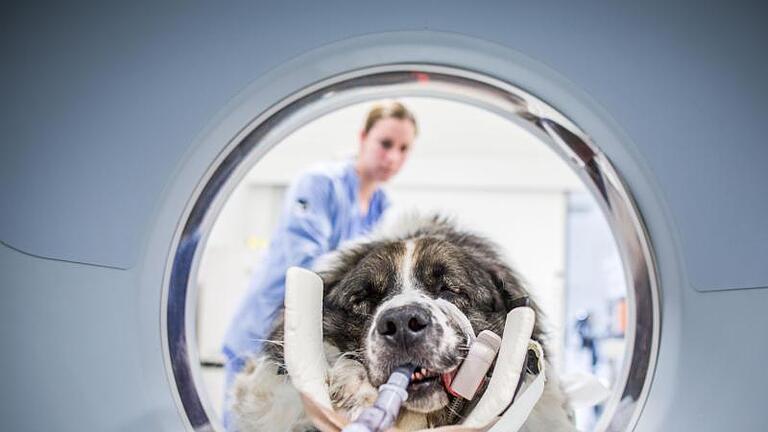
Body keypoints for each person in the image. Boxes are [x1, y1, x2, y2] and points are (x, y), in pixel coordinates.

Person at [221, 101, 418, 430]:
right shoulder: (319, 183)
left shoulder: (384, 207)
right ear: (363, 138)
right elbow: (305, 265)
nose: (393, 157)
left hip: (314, 338)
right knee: (248, 417)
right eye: (385, 144)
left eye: (403, 149)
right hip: (264, 328)